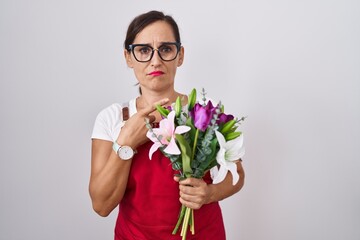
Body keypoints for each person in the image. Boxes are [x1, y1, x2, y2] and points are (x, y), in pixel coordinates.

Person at [89, 10, 245, 240]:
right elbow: (101, 205)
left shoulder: (204, 113)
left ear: (180, 55)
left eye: (166, 49)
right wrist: (126, 142)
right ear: (128, 57)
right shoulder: (112, 118)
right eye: (144, 50)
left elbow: (238, 175)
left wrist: (210, 193)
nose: (155, 60)